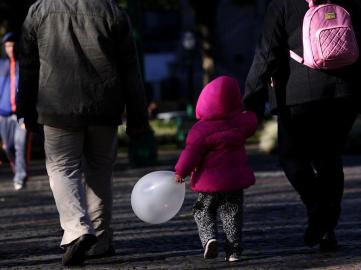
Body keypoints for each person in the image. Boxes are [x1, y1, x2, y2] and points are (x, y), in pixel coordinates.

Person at [17, 0, 150, 266]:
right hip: (105, 107)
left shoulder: (39, 10)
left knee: (62, 168)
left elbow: (29, 64)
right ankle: (99, 240)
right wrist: (138, 116)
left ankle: (77, 229)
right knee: (99, 170)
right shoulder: (113, 11)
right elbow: (130, 69)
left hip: (57, 106)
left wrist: (26, 109)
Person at [243, 0, 361, 252]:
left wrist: (251, 101)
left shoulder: (282, 5)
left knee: (291, 157)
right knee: (329, 159)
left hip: (298, 96)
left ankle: (317, 207)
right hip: (344, 94)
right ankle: (328, 230)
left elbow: (267, 53)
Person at [175, 76, 257, 262]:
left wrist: (181, 172)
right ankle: (234, 252)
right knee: (232, 216)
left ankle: (209, 238)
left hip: (209, 184)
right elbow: (252, 120)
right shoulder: (240, 123)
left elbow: (190, 155)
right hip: (234, 184)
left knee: (202, 211)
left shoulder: (200, 130)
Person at [0, 32, 30, 191]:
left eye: (13, 45)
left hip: (21, 115)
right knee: (7, 147)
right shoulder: (0, 65)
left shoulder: (23, 64)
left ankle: (20, 176)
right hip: (3, 114)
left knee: (20, 143)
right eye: (7, 45)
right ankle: (17, 171)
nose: (10, 48)